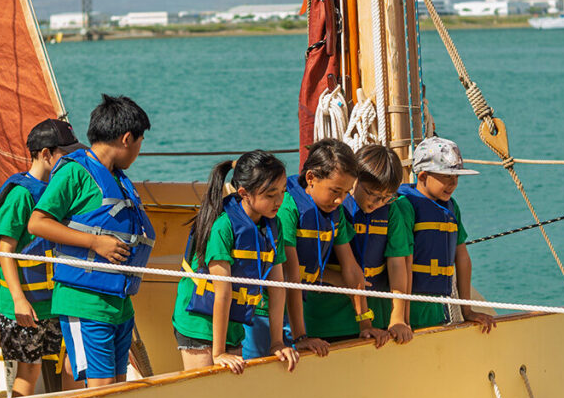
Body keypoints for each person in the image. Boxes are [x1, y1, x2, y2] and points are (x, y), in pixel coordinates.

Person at [28, 95, 155, 389]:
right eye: (140, 141)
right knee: (101, 387)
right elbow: (38, 222)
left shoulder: (119, 179)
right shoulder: (75, 172)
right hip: (85, 301)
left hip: (119, 303)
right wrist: (95, 243)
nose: (139, 149)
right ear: (127, 138)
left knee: (118, 385)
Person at [172, 151, 299, 374]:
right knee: (205, 395)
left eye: (282, 192)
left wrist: (277, 342)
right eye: (270, 195)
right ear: (244, 193)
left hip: (232, 323)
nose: (279, 201)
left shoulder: (273, 225)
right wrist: (219, 353)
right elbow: (222, 292)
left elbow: (277, 287)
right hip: (198, 322)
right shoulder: (223, 226)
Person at [0, 119, 83, 397]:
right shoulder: (21, 195)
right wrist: (18, 299)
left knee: (71, 365)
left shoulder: (57, 192)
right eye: (66, 154)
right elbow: (6, 249)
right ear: (46, 154)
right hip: (27, 305)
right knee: (28, 372)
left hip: (56, 301)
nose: (72, 160)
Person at [250, 138, 364, 359]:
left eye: (346, 192)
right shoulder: (288, 208)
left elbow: (350, 267)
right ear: (310, 178)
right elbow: (291, 274)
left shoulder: (335, 211)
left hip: (297, 310)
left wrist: (365, 323)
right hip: (265, 311)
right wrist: (300, 337)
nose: (340, 200)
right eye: (335, 191)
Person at [394, 136, 496, 332]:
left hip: (438, 304)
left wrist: (467, 310)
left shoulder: (451, 207)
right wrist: (402, 318)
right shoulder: (405, 206)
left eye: (456, 177)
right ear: (422, 176)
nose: (453, 183)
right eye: (447, 177)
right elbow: (402, 261)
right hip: (412, 303)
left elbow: (463, 257)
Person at [338, 144, 414, 345]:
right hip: (334, 314)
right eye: (371, 193)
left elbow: (398, 264)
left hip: (377, 313)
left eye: (385, 197)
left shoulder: (391, 212)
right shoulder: (338, 207)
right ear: (355, 179)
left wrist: (397, 318)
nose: (376, 202)